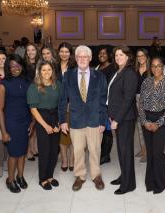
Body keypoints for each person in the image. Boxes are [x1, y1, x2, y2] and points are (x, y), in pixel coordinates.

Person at [58, 45, 107, 191]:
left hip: (95, 120)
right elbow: (62, 100)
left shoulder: (100, 76)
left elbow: (104, 100)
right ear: (76, 58)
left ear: (90, 58)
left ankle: (96, 175)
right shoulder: (68, 75)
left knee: (95, 149)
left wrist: (103, 121)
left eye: (85, 56)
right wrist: (62, 121)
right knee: (78, 150)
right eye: (79, 56)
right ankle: (80, 176)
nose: (82, 59)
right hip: (76, 120)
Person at [139, 57, 165, 194]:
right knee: (150, 153)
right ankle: (149, 182)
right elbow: (141, 104)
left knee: (158, 152)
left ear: (163, 67)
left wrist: (159, 123)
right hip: (147, 121)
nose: (156, 69)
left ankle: (159, 184)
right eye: (153, 66)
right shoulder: (146, 82)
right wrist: (144, 121)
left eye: (159, 66)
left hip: (162, 121)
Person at [0, 54, 32, 193]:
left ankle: (20, 176)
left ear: (22, 66)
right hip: (11, 122)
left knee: (22, 152)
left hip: (25, 121)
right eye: (12, 66)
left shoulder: (27, 81)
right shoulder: (3, 84)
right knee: (13, 153)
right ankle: (10, 179)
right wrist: (4, 132)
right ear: (8, 68)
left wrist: (33, 122)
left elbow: (31, 104)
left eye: (18, 65)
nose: (15, 68)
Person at [108, 45, 138, 195]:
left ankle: (129, 184)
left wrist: (117, 119)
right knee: (121, 150)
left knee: (125, 151)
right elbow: (113, 96)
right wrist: (110, 114)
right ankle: (124, 176)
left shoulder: (130, 73)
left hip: (125, 119)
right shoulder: (118, 71)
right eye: (116, 55)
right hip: (118, 117)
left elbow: (127, 100)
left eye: (121, 55)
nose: (118, 57)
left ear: (128, 57)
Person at [27, 61, 61, 190]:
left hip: (55, 117)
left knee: (54, 150)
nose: (47, 72)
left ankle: (50, 176)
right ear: (39, 72)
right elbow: (33, 109)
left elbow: (61, 104)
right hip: (42, 118)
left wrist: (58, 123)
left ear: (53, 71)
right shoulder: (34, 86)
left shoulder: (57, 84)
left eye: (49, 70)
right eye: (44, 70)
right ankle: (42, 178)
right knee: (45, 151)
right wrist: (46, 126)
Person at [56, 42, 76, 171]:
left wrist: (70, 103)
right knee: (61, 135)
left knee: (73, 133)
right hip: (56, 104)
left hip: (72, 105)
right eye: (62, 51)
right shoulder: (54, 67)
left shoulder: (75, 67)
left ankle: (72, 159)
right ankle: (64, 159)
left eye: (67, 52)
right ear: (58, 53)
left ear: (70, 53)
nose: (64, 54)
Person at [95, 45, 116, 165]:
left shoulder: (112, 68)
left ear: (109, 55)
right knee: (101, 129)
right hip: (98, 103)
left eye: (104, 53)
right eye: (100, 53)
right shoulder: (97, 67)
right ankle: (102, 152)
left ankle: (106, 155)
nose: (102, 55)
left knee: (107, 130)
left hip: (107, 103)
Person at [24, 43, 41, 161]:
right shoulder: (24, 65)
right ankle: (28, 150)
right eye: (28, 50)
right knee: (30, 124)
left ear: (36, 51)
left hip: (40, 96)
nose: (30, 52)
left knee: (37, 123)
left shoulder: (40, 63)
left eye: (33, 50)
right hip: (29, 96)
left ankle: (34, 146)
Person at [134, 48, 150, 163]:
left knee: (146, 126)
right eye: (138, 56)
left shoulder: (151, 69)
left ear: (147, 56)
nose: (140, 58)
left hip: (148, 100)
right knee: (139, 126)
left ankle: (148, 152)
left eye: (142, 55)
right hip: (136, 99)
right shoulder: (135, 69)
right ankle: (143, 149)